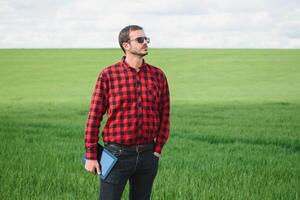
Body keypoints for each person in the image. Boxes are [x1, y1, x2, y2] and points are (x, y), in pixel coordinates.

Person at [84, 25, 170, 200]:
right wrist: (91, 156)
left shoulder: (158, 75)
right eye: (140, 39)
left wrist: (157, 150)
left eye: (147, 39)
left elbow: (164, 114)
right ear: (126, 45)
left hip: (148, 155)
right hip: (116, 155)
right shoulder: (108, 75)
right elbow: (94, 117)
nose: (145, 42)